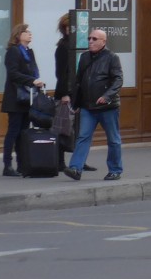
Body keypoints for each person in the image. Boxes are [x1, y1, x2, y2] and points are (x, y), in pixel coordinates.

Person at [64, 28, 123, 181]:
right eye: (89, 38)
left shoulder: (112, 58)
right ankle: (76, 168)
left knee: (113, 139)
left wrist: (107, 96)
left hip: (107, 107)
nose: (90, 41)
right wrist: (76, 103)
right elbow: (78, 82)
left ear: (103, 42)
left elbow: (118, 80)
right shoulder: (84, 57)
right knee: (83, 137)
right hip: (88, 107)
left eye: (94, 39)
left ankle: (115, 170)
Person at [0, 23, 45, 177]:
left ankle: (21, 164)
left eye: (30, 32)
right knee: (13, 132)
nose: (30, 34)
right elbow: (13, 74)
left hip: (27, 98)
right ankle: (7, 165)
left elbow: (33, 72)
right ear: (18, 35)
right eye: (26, 32)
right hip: (15, 98)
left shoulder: (28, 52)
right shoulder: (13, 51)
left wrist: (36, 81)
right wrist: (31, 81)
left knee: (23, 132)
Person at [53, 14, 95, 173]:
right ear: (67, 29)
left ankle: (79, 161)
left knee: (79, 129)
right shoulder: (63, 47)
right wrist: (65, 93)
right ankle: (59, 162)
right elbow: (61, 73)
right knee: (63, 128)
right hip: (67, 93)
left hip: (79, 93)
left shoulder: (79, 46)